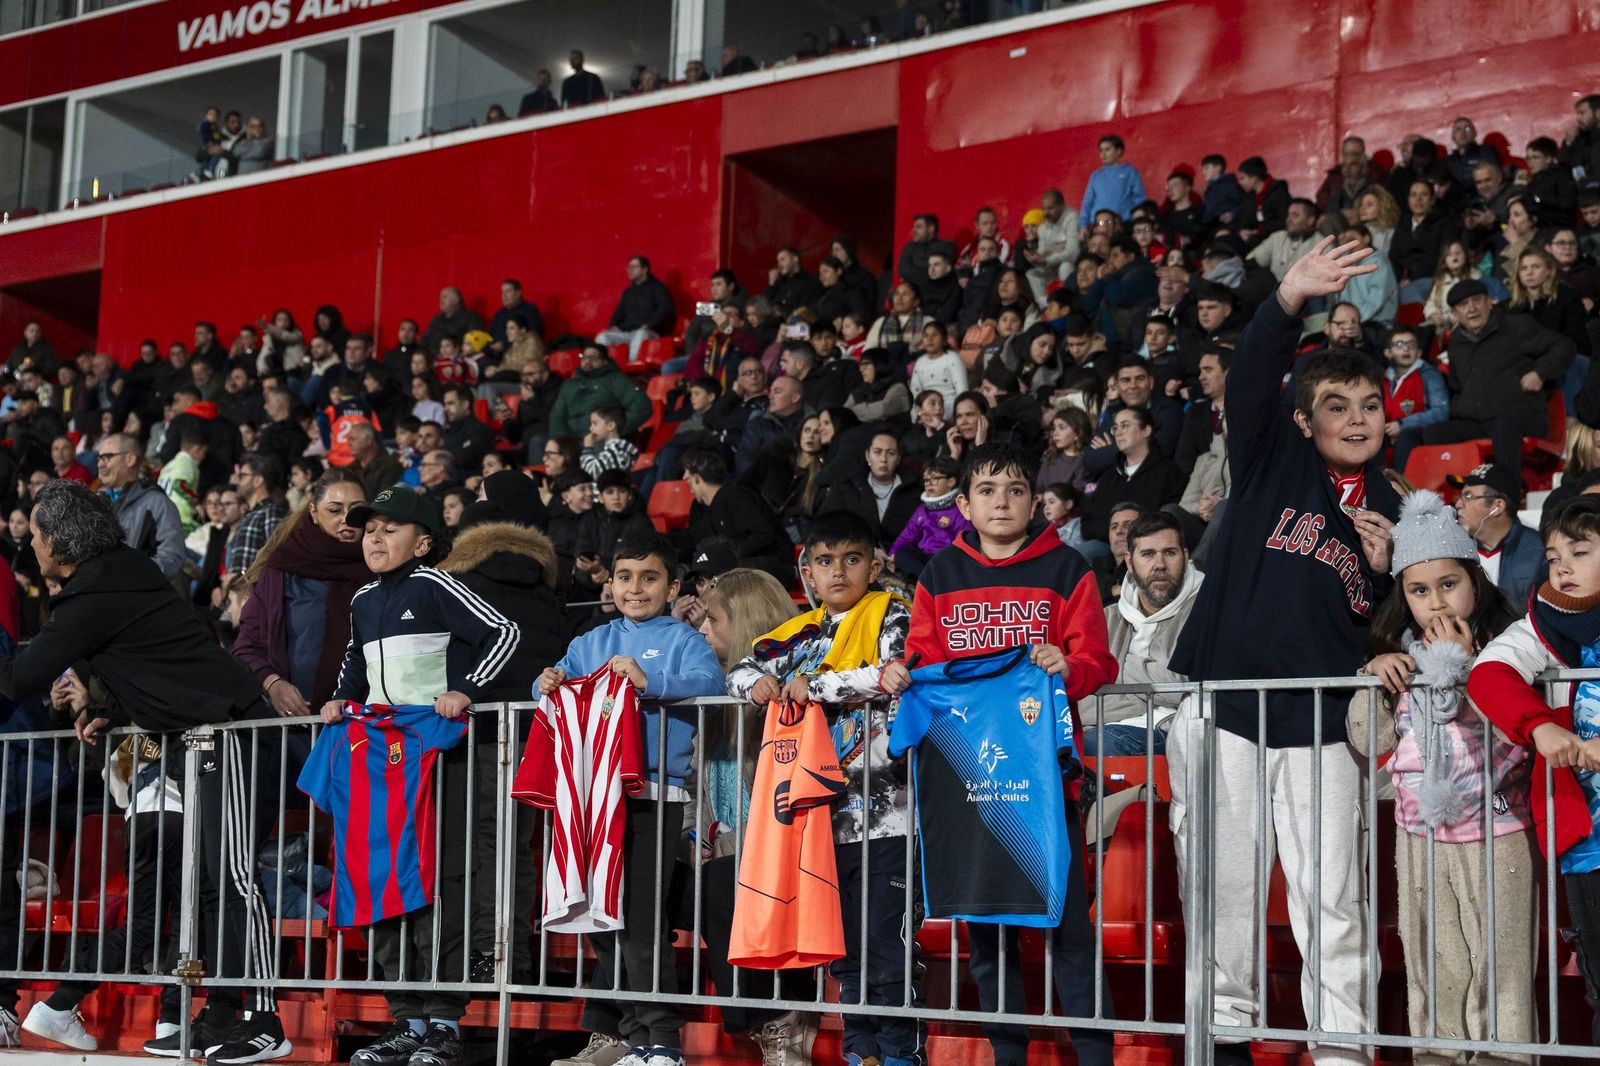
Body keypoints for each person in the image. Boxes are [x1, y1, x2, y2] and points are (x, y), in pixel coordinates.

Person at [1167, 237, 1398, 1063]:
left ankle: (1342, 1051)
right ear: (1304, 420)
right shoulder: (1271, 461)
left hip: (1324, 720)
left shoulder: (1394, 507)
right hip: (1225, 707)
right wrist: (1286, 299)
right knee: (1223, 896)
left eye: (1369, 403)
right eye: (1337, 404)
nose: (1358, 417)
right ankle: (1223, 1044)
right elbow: (1256, 374)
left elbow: (1384, 631)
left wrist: (1381, 578)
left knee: (1333, 901)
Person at [0, 480, 294, 1061]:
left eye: (34, 535)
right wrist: (113, 711)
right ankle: (221, 1014)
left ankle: (266, 1021)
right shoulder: (118, 573)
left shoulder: (95, 592)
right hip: (202, 735)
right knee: (210, 885)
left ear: (59, 540)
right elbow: (151, 655)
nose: (29, 545)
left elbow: (18, 678)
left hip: (228, 733)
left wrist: (109, 703)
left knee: (233, 880)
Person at [903, 441, 1118, 1066]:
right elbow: (922, 656)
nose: (1003, 502)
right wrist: (903, 674)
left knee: (1069, 930)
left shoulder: (1067, 568)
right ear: (964, 503)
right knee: (988, 936)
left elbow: (1098, 659)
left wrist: (1069, 664)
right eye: (988, 491)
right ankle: (1007, 1056)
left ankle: (1095, 1055)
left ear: (1035, 500)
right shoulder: (939, 574)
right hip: (969, 778)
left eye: (1017, 490)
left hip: (1048, 781)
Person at [725, 509, 918, 1066]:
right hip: (819, 823)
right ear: (807, 570)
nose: (839, 573)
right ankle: (863, 1052)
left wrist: (816, 685)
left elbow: (892, 672)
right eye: (825, 561)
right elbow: (739, 670)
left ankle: (901, 1052)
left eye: (852, 560)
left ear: (874, 564)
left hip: (887, 811)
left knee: (889, 944)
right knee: (845, 949)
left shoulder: (891, 613)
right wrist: (761, 683)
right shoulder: (799, 632)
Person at [1344, 489, 1533, 1056]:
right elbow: (1369, 738)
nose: (1435, 603)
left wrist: (1471, 669)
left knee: (1499, 968)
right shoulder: (1397, 655)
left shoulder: (1510, 649)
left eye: (1448, 585)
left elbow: (1518, 738)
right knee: (1433, 963)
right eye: (1418, 591)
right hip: (1420, 834)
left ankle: (1503, 1057)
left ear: (1475, 581)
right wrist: (1371, 675)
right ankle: (1436, 1055)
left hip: (1496, 833)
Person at [540, 532, 722, 1066]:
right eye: (624, 577)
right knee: (601, 918)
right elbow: (551, 688)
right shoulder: (589, 641)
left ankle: (663, 1040)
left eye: (649, 577)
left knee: (641, 919)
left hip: (653, 795)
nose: (635, 588)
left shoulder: (685, 640)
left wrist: (649, 680)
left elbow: (710, 684)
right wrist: (544, 682)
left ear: (672, 587)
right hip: (590, 797)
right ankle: (634, 1033)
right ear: (610, 583)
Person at [1466, 492, 1600, 1046]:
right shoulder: (1538, 627)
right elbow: (1488, 674)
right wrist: (1541, 726)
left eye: (1581, 550)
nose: (1562, 565)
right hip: (1589, 844)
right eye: (1552, 554)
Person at [689, 568, 816, 1061]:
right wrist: (694, 840)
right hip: (724, 848)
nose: (702, 630)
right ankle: (635, 1033)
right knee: (654, 886)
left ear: (743, 623)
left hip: (787, 845)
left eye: (712, 619)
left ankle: (785, 1025)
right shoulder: (712, 689)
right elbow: (698, 785)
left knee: (728, 883)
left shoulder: (786, 694)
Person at [234, 468, 368, 721]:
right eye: (335, 510)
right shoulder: (282, 568)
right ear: (314, 513)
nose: (347, 519)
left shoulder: (383, 568)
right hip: (291, 726)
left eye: (356, 509)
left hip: (361, 725)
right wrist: (273, 684)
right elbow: (247, 644)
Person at [1422, 279, 1574, 481]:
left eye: (1477, 300)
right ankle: (1443, 494)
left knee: (1502, 427)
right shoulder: (1456, 342)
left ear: (1489, 302)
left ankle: (1507, 496)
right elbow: (1457, 386)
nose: (1472, 308)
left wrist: (1539, 373)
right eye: (1463, 305)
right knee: (1431, 433)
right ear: (1456, 314)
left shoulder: (1515, 326)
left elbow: (1564, 346)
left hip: (1521, 415)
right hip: (1478, 421)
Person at [682, 447, 796, 586]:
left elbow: (765, 535)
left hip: (774, 567)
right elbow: (694, 537)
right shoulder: (711, 508)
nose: (685, 479)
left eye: (689, 481)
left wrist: (730, 554)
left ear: (697, 478)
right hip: (749, 569)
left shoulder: (736, 498)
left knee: (722, 572)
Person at [1446, 463, 1545, 616]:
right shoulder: (1454, 551)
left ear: (1497, 507)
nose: (1458, 504)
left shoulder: (1539, 551)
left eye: (1468, 496)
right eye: (1460, 496)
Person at [1080, 406, 1184, 547]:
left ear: (1146, 430)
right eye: (1115, 428)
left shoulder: (1170, 473)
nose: (1119, 433)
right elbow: (1087, 523)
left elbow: (1170, 522)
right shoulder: (1108, 475)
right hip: (1106, 547)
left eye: (1125, 426)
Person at [95, 432, 185, 579]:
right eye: (98, 458)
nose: (100, 464)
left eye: (107, 457)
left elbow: (171, 558)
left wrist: (129, 574)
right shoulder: (94, 501)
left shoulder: (157, 503)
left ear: (130, 459)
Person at [817, 429, 921, 549]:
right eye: (877, 452)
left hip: (902, 561)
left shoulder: (914, 490)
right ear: (867, 456)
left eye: (891, 453)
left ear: (898, 458)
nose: (883, 459)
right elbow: (824, 525)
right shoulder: (846, 486)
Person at [886, 455, 969, 580]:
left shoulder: (959, 508)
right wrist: (892, 554)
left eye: (935, 479)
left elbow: (966, 539)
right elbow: (908, 534)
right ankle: (926, 582)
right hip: (924, 558)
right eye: (926, 480)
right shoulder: (922, 510)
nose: (929, 484)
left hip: (947, 559)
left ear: (951, 482)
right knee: (902, 554)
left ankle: (929, 582)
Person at [547, 343, 650, 441]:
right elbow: (557, 416)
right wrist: (562, 442)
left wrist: (616, 432)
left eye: (592, 358)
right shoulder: (569, 384)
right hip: (573, 443)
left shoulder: (615, 380)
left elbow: (642, 406)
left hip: (601, 441)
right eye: (583, 357)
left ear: (604, 361)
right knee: (538, 441)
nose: (587, 361)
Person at [1382, 325, 1449, 473]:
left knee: (1406, 438)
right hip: (1387, 436)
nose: (1406, 349)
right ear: (1387, 352)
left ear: (1418, 352)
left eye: (1411, 345)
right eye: (1399, 345)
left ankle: (1403, 489)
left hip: (1417, 435)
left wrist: (1402, 424)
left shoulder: (1429, 375)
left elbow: (1441, 412)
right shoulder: (1382, 379)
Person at [596, 256, 676, 362]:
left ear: (644, 270)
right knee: (602, 337)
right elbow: (618, 312)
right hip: (627, 332)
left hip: (649, 331)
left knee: (640, 335)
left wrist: (649, 325)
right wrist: (613, 326)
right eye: (628, 267)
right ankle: (599, 371)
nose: (630, 270)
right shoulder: (628, 292)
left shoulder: (657, 288)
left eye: (634, 267)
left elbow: (666, 309)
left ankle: (632, 369)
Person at [227, 453, 289, 574]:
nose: (237, 481)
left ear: (258, 480)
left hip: (253, 590)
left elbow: (277, 556)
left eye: (242, 476)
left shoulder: (271, 512)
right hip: (239, 590)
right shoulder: (250, 515)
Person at [908, 322, 965, 414]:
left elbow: (961, 388)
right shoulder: (920, 362)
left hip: (949, 404)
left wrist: (959, 410)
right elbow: (915, 390)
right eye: (926, 336)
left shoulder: (952, 358)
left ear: (945, 339)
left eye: (935, 335)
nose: (929, 339)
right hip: (926, 407)